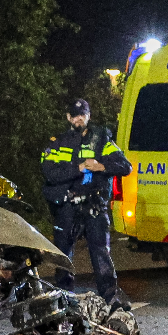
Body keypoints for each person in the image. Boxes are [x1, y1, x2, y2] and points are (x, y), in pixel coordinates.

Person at [40, 97, 132, 304]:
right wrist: (79, 168)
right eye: (74, 115)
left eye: (82, 115)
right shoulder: (57, 143)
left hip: (93, 204)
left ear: (88, 116)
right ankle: (63, 298)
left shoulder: (101, 141)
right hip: (67, 206)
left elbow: (125, 166)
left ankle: (109, 297)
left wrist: (101, 167)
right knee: (63, 254)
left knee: (101, 252)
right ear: (68, 117)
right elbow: (50, 173)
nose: (78, 119)